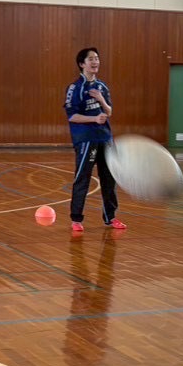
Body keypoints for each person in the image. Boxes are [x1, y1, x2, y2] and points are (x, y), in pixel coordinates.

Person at [64, 47, 126, 235]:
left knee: (109, 179)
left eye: (97, 58)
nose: (95, 62)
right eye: (91, 59)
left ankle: (110, 217)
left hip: (105, 138)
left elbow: (109, 111)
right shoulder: (75, 88)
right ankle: (76, 219)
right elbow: (72, 116)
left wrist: (101, 100)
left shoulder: (102, 87)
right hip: (86, 139)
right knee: (82, 178)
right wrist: (93, 118)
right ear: (82, 64)